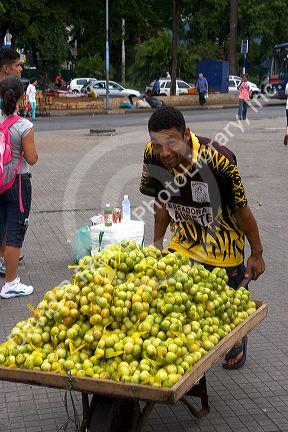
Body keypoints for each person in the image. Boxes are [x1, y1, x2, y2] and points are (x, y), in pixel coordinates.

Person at [139, 106, 265, 369]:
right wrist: (157, 243)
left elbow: (243, 211)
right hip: (183, 243)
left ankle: (237, 341)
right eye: (157, 144)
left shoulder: (217, 160)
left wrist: (257, 253)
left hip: (223, 247)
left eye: (171, 143)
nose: (164, 152)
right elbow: (160, 202)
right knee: (179, 308)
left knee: (228, 310)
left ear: (185, 135)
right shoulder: (152, 156)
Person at [0, 76, 38, 298]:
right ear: (22, 98)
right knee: (15, 233)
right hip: (17, 183)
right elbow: (31, 159)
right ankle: (10, 283)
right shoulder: (24, 126)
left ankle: (6, 271)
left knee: (1, 227)